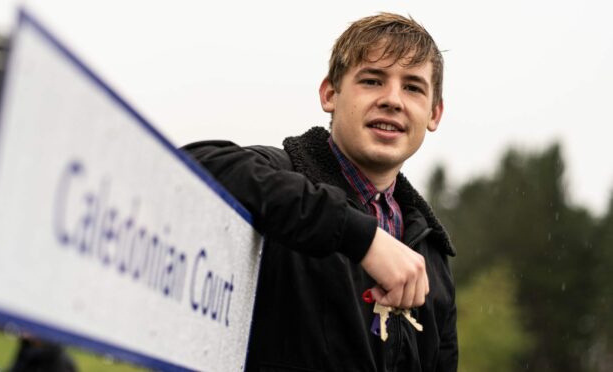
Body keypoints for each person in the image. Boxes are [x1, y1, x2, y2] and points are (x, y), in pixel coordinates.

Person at [182, 12, 457, 372]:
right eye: (372, 80)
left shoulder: (431, 251)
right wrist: (361, 237)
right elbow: (195, 164)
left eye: (413, 87)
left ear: (434, 114)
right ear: (330, 94)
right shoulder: (282, 173)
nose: (393, 100)